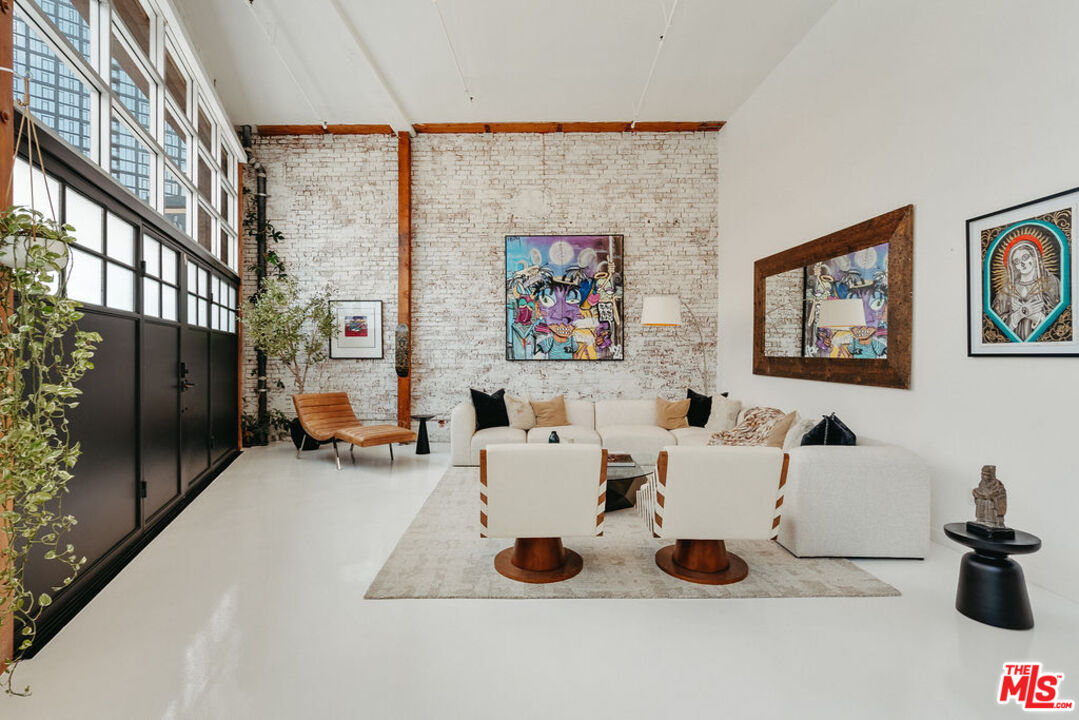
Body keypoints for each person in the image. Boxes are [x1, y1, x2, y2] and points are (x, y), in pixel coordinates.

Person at [990, 238, 1061, 340]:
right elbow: (995, 325)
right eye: (1017, 261)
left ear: (1034, 257)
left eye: (1025, 257)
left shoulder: (1051, 282)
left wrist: (1036, 316)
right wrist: (1017, 315)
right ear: (1014, 266)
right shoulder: (1007, 290)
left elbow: (1062, 318)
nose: (1022, 263)